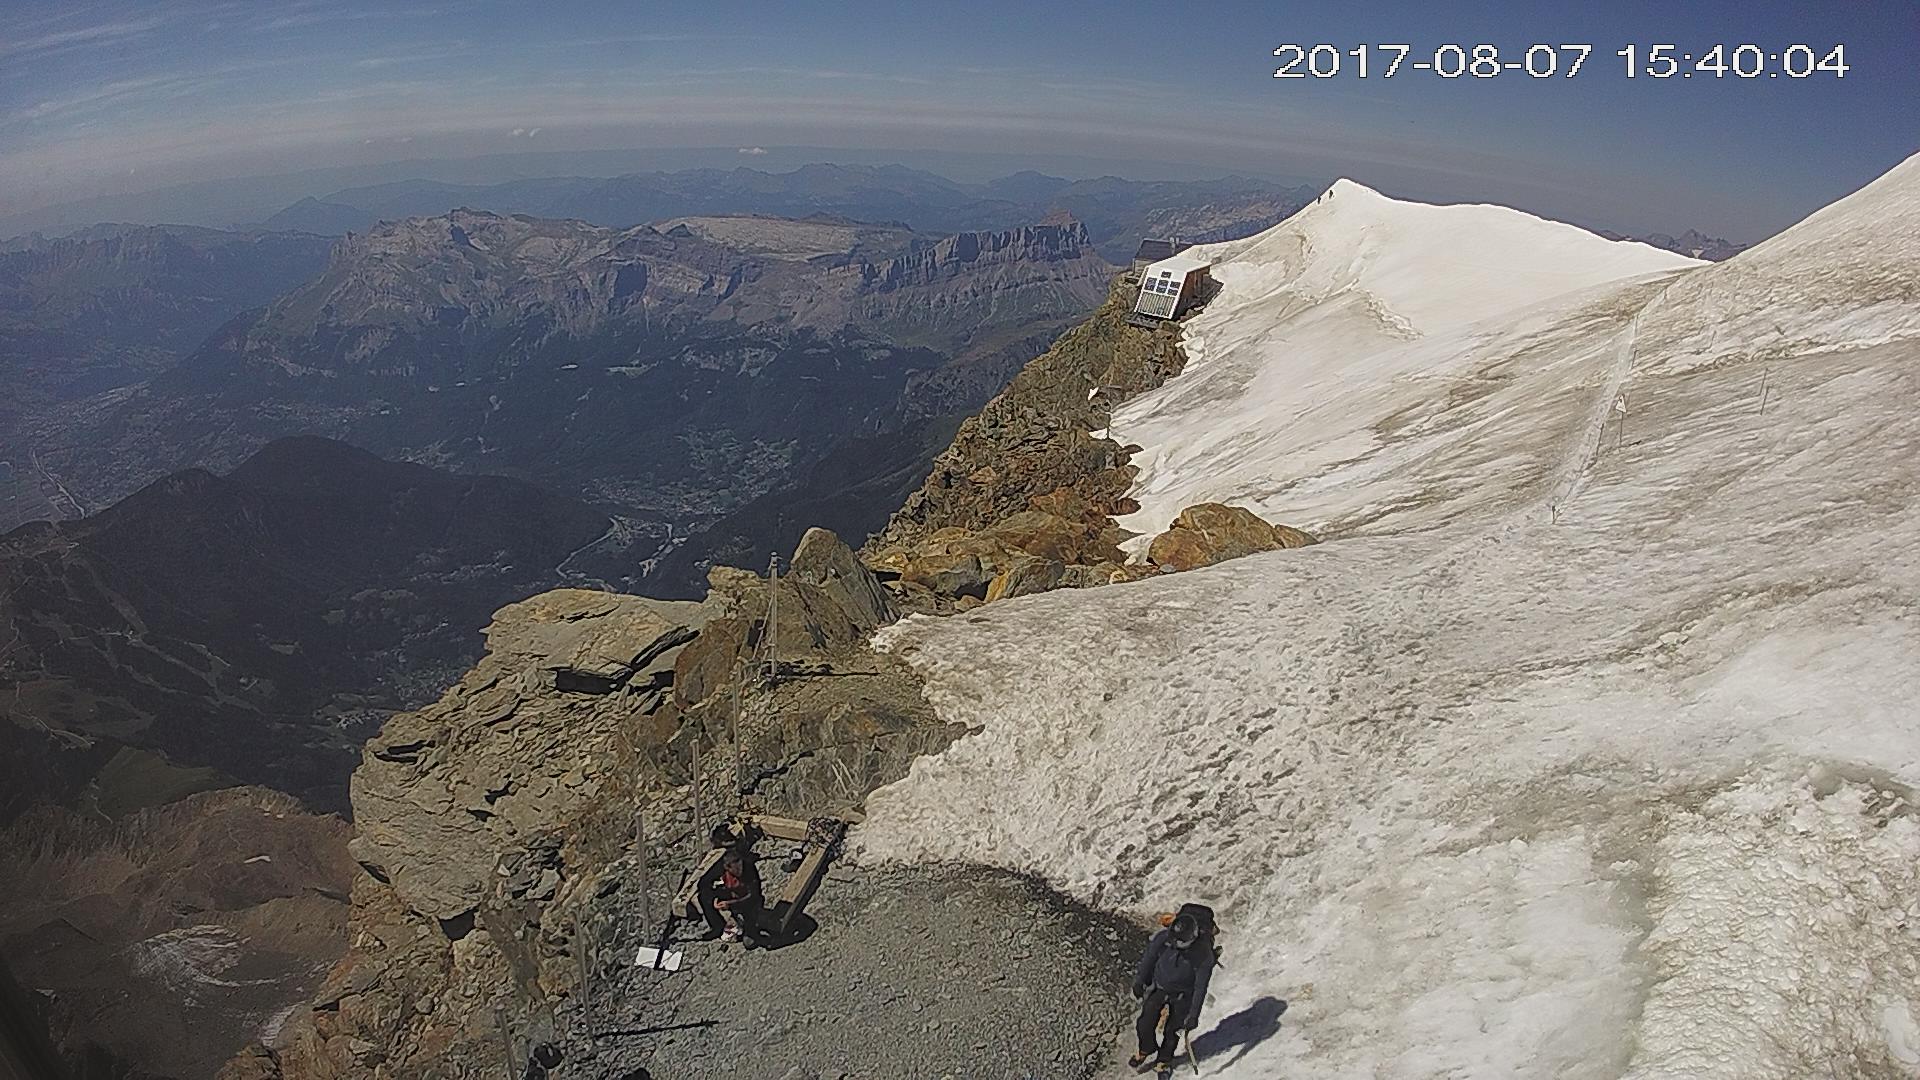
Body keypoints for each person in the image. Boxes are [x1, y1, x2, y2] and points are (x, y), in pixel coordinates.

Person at [1129, 906, 1216, 1075]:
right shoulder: (1165, 937)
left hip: (1183, 995)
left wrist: (1193, 1015)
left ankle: (1164, 1060)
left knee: (1172, 1031)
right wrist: (1140, 981)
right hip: (1159, 987)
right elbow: (1150, 957)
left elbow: (1200, 986)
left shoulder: (1204, 955)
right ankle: (1146, 1048)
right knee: (1144, 1023)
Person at [696, 833, 768, 945]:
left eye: (738, 862)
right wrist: (714, 898)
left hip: (747, 902)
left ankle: (749, 928)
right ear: (727, 867)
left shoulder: (749, 869)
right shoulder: (721, 869)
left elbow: (754, 895)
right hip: (732, 894)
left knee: (749, 942)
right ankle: (717, 926)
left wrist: (731, 904)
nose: (738, 867)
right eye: (733, 865)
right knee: (704, 896)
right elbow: (703, 884)